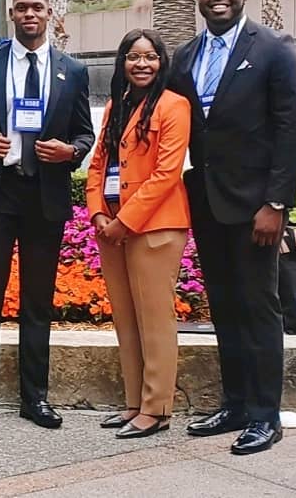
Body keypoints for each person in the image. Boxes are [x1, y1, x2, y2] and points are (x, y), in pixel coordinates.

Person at [169, 0, 296, 455]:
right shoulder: (184, 56)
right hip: (205, 203)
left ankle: (265, 415)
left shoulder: (273, 49)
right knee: (224, 305)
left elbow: (291, 129)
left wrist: (276, 202)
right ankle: (234, 403)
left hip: (255, 208)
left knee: (259, 306)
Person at [0, 0, 95, 432]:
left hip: (44, 196)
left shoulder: (72, 71)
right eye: (22, 7)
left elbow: (85, 134)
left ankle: (35, 398)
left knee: (37, 302)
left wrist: (70, 152)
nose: (30, 14)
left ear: (48, 12)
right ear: (12, 13)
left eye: (37, 7)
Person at [85, 29, 191, 439]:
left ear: (162, 62)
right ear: (122, 63)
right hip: (111, 226)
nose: (141, 64)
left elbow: (167, 174)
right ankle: (134, 403)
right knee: (126, 320)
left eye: (150, 57)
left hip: (155, 227)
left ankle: (158, 407)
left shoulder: (173, 106)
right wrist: (96, 212)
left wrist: (124, 220)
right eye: (133, 57)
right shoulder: (117, 105)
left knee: (154, 320)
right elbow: (98, 166)